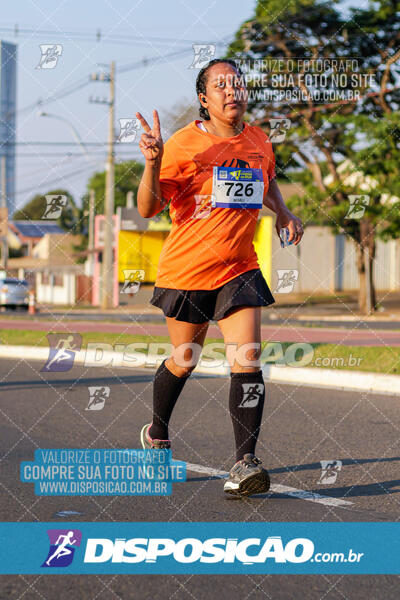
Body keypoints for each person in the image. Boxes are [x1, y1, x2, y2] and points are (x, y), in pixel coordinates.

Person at [136, 58, 303, 496]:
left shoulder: (259, 140)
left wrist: (282, 210)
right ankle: (157, 433)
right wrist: (152, 163)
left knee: (247, 359)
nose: (233, 91)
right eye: (221, 86)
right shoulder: (183, 143)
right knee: (184, 359)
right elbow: (147, 209)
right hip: (187, 270)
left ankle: (244, 463)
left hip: (239, 268)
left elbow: (265, 182)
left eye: (238, 83)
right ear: (204, 99)